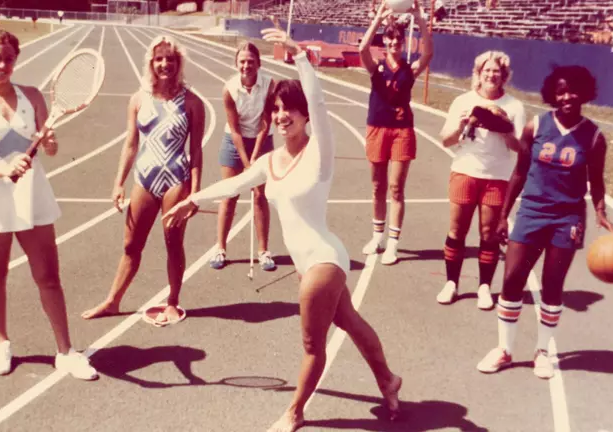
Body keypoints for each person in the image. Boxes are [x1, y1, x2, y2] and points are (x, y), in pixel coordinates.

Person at [163, 27, 402, 431]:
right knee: (351, 322)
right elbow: (234, 184)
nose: (281, 115)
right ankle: (388, 379)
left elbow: (322, 102)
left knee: (312, 344)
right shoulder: (269, 161)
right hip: (307, 265)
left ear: (305, 114)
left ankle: (295, 411)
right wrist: (193, 199)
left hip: (326, 259)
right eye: (276, 109)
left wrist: (301, 58)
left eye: (290, 108)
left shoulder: (319, 153)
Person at [0, 29, 96, 380]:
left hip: (31, 194)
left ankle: (66, 351)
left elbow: (49, 148)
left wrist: (48, 141)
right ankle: (2, 344)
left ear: (17, 61)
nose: (2, 64)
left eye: (9, 59)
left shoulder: (32, 96)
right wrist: (3, 168)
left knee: (48, 276)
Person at [477, 66, 613, 379]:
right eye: (561, 91)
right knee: (511, 279)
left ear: (585, 93)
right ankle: (504, 349)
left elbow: (596, 180)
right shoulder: (535, 126)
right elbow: (520, 172)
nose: (567, 97)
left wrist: (600, 212)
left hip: (566, 217)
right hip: (532, 212)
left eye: (573, 90)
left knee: (553, 285)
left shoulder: (593, 137)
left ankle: (542, 351)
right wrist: (503, 215)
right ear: (552, 94)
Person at [81, 35, 204, 325]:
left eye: (170, 59)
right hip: (145, 178)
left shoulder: (192, 103)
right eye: (159, 59)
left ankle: (173, 301)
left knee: (173, 243)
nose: (165, 64)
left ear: (178, 63)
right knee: (130, 246)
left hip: (176, 179)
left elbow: (196, 150)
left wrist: (194, 193)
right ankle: (113, 301)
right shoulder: (138, 99)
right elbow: (131, 144)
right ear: (151, 62)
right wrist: (118, 182)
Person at [436, 51, 526, 309]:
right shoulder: (463, 100)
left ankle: (484, 286)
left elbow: (519, 147)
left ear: (504, 76)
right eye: (486, 70)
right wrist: (462, 125)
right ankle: (451, 282)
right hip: (465, 170)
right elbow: (445, 139)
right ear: (478, 73)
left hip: (496, 176)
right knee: (457, 230)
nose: (491, 75)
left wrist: (506, 128)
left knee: (489, 234)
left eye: (496, 71)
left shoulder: (514, 106)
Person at [358, 0, 433, 264]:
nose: (393, 45)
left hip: (402, 131)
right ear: (385, 43)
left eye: (397, 42)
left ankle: (392, 243)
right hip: (377, 128)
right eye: (389, 42)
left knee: (396, 188)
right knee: (377, 186)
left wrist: (420, 18)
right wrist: (378, 17)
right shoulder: (375, 67)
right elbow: (361, 47)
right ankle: (377, 236)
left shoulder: (410, 69)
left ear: (403, 44)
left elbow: (428, 53)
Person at [210, 41, 276, 272]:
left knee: (260, 195)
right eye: (242, 62)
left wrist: (256, 157)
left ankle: (263, 251)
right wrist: (246, 163)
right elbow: (235, 129)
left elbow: (265, 124)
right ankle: (220, 248)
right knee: (230, 193)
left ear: (259, 63)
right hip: (234, 140)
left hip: (261, 139)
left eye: (251, 61)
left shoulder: (269, 85)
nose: (246, 66)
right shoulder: (229, 89)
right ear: (236, 63)